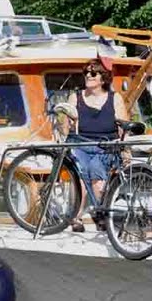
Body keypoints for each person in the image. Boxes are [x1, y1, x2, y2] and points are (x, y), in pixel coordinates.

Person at [56, 59, 130, 229]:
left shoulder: (115, 98)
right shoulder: (76, 96)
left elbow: (122, 127)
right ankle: (77, 217)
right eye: (86, 73)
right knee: (79, 171)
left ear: (103, 78)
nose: (88, 76)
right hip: (80, 144)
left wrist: (125, 151)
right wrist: (64, 122)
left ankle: (101, 214)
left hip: (106, 146)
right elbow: (64, 125)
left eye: (93, 73)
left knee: (96, 169)